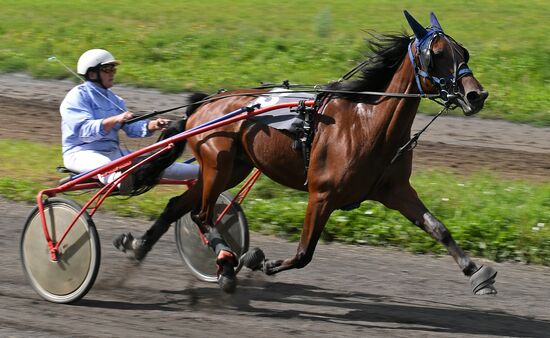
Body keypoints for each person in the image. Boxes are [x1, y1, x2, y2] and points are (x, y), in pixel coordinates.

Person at [60, 48, 199, 193]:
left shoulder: (114, 99)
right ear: (92, 73)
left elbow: (131, 127)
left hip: (112, 153)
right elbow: (84, 131)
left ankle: (201, 171)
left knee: (155, 162)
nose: (112, 73)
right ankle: (120, 182)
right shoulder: (76, 97)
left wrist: (152, 125)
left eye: (114, 69)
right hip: (80, 153)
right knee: (107, 165)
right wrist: (115, 119)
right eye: (107, 69)